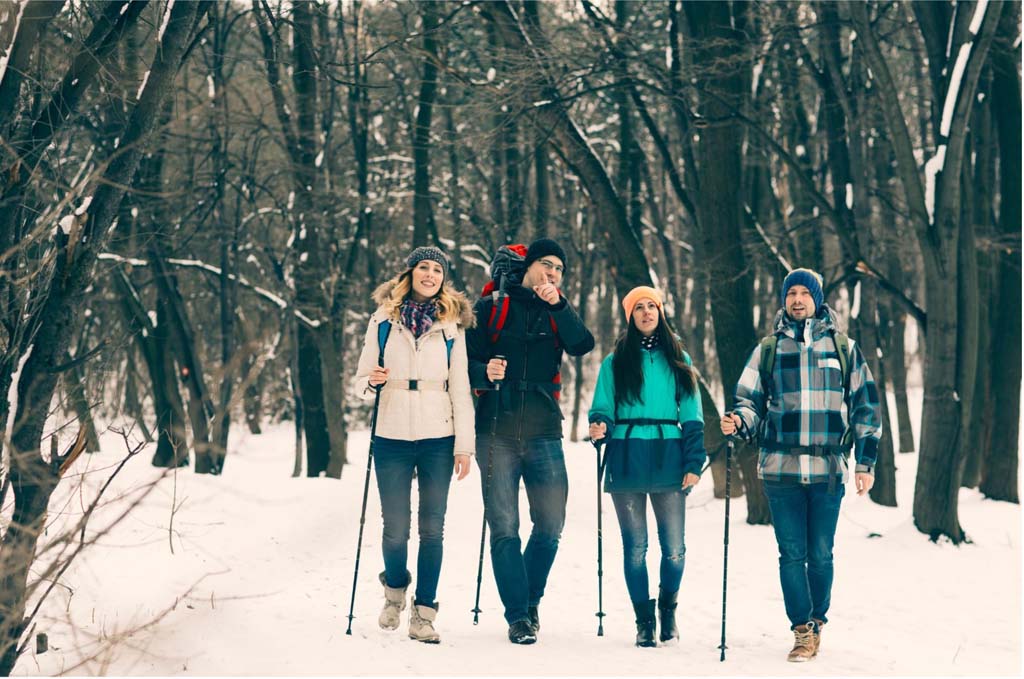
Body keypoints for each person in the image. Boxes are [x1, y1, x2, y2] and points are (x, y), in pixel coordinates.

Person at [719, 267, 881, 662]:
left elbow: (866, 406)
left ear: (817, 299)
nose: (796, 300)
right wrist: (739, 420)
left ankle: (818, 621)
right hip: (780, 471)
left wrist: (865, 462)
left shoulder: (844, 348)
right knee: (791, 553)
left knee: (821, 552)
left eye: (803, 294)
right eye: (790, 293)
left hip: (827, 472)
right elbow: (749, 401)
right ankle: (802, 629)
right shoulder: (768, 349)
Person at [466, 238, 595, 645]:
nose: (554, 273)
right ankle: (519, 616)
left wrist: (558, 305)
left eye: (560, 268)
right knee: (504, 527)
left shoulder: (557, 311)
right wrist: (486, 371)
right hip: (496, 432)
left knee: (551, 523)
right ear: (528, 266)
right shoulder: (489, 309)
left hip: (543, 431)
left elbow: (583, 344)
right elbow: (463, 365)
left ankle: (529, 598)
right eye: (547, 264)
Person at [353, 246, 475, 644]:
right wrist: (371, 380)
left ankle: (424, 613)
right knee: (395, 528)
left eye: (437, 269)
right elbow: (359, 381)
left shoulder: (452, 325)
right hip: (391, 433)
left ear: (443, 278)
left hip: (438, 435)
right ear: (410, 272)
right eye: (423, 267)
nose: (430, 274)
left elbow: (460, 386)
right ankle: (394, 592)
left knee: (432, 529)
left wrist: (464, 445)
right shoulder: (384, 320)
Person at [588, 286, 706, 648]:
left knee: (674, 548)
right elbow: (602, 405)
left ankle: (667, 609)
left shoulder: (679, 359)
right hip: (626, 456)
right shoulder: (615, 361)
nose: (646, 312)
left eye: (651, 306)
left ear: (661, 312)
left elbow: (692, 414)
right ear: (630, 316)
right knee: (635, 547)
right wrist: (599, 425)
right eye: (638, 307)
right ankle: (643, 620)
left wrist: (693, 460)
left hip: (669, 455)